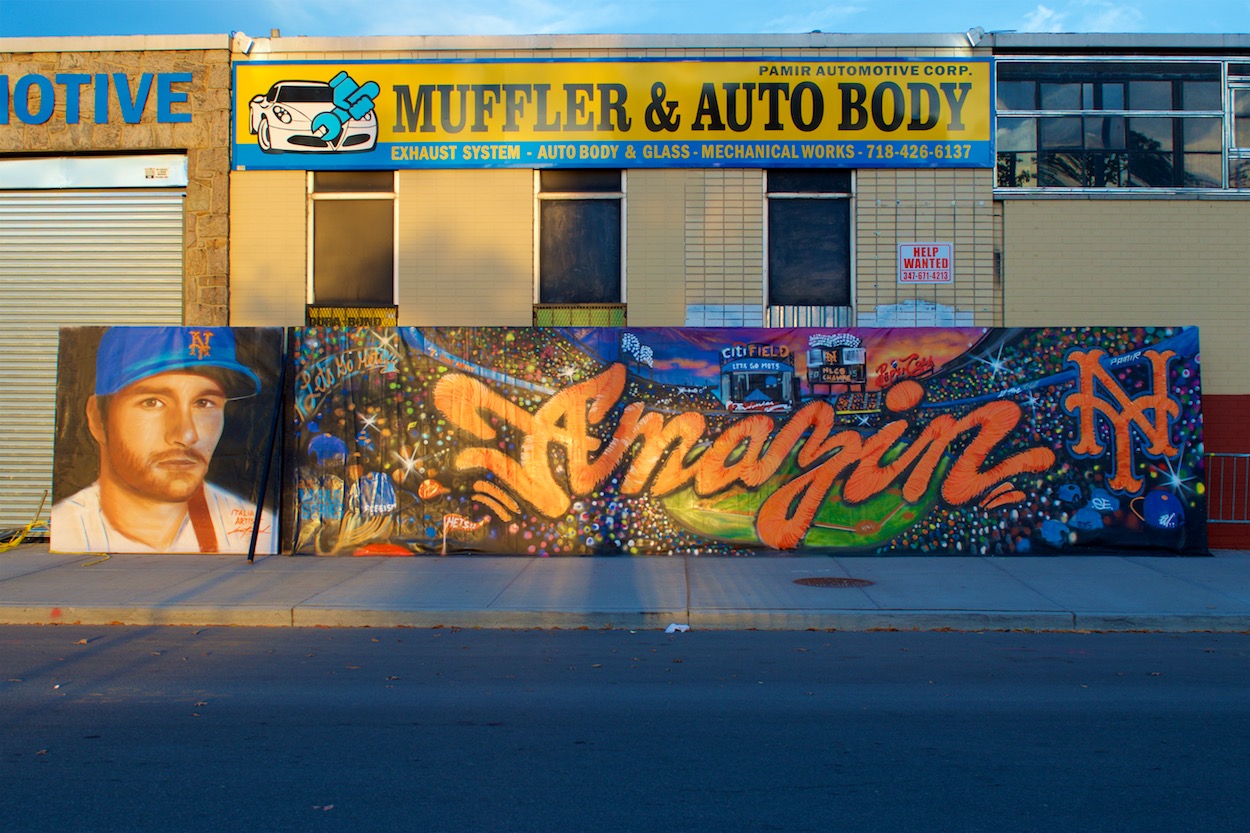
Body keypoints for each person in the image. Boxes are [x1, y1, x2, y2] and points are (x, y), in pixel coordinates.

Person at [52, 327, 275, 554]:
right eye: (152, 402)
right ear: (98, 418)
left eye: (204, 403)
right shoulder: (69, 531)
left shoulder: (258, 532)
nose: (186, 436)